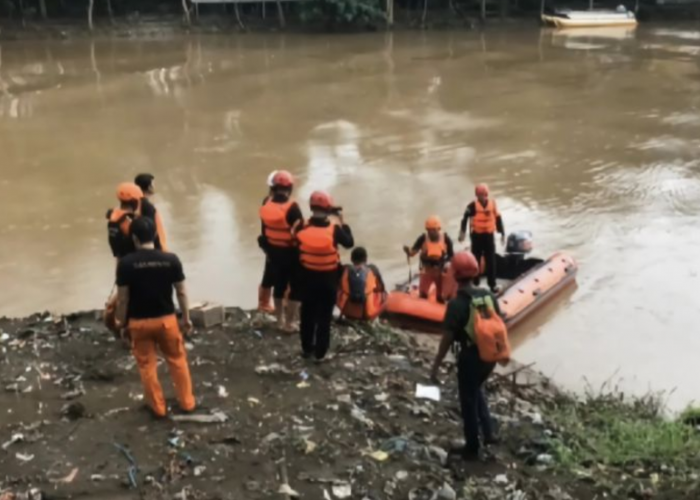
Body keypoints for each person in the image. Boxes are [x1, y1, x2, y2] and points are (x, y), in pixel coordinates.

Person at [115, 217, 196, 419]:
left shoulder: (125, 264)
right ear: (155, 235)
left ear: (134, 238)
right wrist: (186, 318)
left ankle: (158, 408)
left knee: (147, 366)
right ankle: (187, 403)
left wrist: (121, 323)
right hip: (166, 321)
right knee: (177, 360)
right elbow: (182, 292)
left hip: (139, 323)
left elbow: (123, 298)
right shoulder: (171, 259)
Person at [430, 251, 499, 460]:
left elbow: (446, 341)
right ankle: (489, 433)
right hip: (491, 355)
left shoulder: (456, 305)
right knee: (478, 389)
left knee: (468, 401)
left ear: (455, 275)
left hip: (471, 357)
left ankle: (472, 447)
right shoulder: (489, 296)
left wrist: (435, 367)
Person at [295, 191, 354, 361]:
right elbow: (349, 243)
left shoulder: (301, 226)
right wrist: (342, 221)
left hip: (307, 278)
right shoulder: (334, 230)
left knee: (307, 315)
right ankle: (320, 353)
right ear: (328, 209)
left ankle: (307, 349)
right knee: (324, 317)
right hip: (328, 279)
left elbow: (296, 243)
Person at [258, 170, 304, 331]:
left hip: (273, 253)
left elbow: (264, 232)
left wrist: (269, 251)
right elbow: (301, 233)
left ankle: (279, 320)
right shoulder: (293, 208)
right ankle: (290, 322)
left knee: (278, 286)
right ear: (290, 188)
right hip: (290, 253)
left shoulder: (266, 204)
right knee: (295, 289)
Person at [458, 184, 505, 293]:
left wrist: (502, 233)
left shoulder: (492, 204)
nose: (481, 197)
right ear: (476, 195)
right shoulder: (472, 206)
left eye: (483, 195)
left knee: (491, 260)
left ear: (486, 194)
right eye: (479, 195)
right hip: (477, 236)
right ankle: (475, 283)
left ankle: (492, 284)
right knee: (475, 260)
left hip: (489, 236)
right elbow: (464, 219)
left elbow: (498, 217)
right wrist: (462, 233)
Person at [403, 216, 454, 302]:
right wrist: (408, 252)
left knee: (441, 296)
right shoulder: (422, 238)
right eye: (429, 230)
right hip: (427, 270)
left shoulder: (446, 239)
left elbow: (451, 255)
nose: (431, 232)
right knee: (423, 294)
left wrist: (447, 264)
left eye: (434, 230)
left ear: (438, 229)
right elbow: (413, 252)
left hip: (440, 270)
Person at [337, 247, 386, 321]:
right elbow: (381, 288)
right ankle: (381, 317)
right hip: (366, 312)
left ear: (351, 259)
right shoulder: (373, 269)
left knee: (338, 287)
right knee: (383, 293)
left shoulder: (345, 268)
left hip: (346, 310)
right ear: (366, 259)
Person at [107, 182, 144, 261]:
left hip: (121, 260)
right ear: (134, 201)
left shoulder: (113, 215)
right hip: (134, 261)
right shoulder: (130, 220)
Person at [134, 173, 168, 252]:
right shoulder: (147, 206)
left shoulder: (135, 203)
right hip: (154, 247)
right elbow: (151, 228)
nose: (154, 187)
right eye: (153, 184)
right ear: (149, 187)